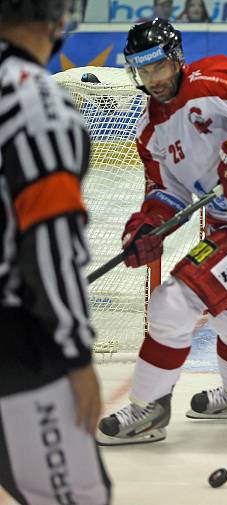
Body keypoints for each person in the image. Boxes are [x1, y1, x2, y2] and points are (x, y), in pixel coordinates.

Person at [96, 18, 227, 445]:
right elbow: (166, 191)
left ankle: (149, 409)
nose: (153, 80)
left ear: (176, 59)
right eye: (142, 71)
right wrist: (149, 225)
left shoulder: (215, 79)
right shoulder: (149, 131)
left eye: (158, 67)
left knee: (171, 303)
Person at [0, 0, 112, 503]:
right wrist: (77, 356)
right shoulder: (36, 102)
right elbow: (49, 238)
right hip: (18, 342)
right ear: (55, 19)